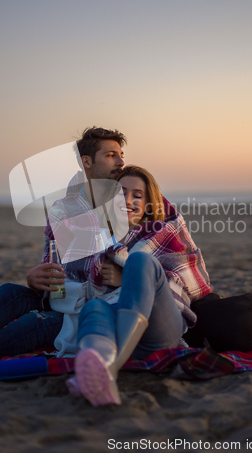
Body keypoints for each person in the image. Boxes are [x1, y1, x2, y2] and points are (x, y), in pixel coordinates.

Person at [0, 127, 128, 364]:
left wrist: (124, 274)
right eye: (111, 155)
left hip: (97, 306)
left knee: (34, 324)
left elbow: (152, 258)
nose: (121, 161)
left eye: (121, 154)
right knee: (10, 293)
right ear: (87, 161)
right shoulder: (64, 208)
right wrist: (35, 278)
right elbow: (51, 262)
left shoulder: (132, 198)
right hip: (63, 296)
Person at [66, 165, 212, 406]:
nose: (129, 200)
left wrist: (127, 277)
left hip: (160, 329)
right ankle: (97, 365)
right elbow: (74, 276)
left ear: (149, 203)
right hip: (117, 325)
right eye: (121, 193)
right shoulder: (97, 238)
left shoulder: (164, 231)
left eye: (137, 195)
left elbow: (188, 280)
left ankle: (110, 370)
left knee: (140, 260)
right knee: (93, 308)